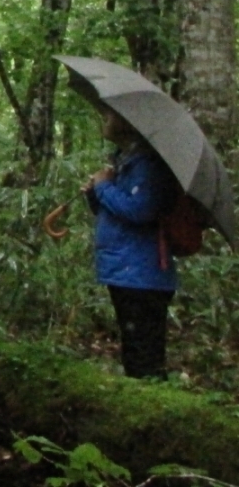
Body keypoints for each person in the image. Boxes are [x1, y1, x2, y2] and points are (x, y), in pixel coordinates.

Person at [83, 107, 178, 379]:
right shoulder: (126, 163)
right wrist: (95, 193)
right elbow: (114, 213)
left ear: (128, 122)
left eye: (111, 115)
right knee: (135, 351)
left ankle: (152, 402)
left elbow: (140, 210)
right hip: (126, 269)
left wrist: (104, 187)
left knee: (144, 357)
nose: (105, 118)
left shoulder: (148, 165)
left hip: (141, 273)